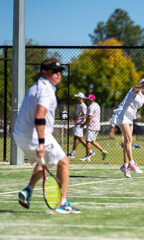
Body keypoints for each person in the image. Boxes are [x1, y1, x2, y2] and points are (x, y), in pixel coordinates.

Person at [13, 59, 80, 214]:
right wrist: (41, 143)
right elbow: (39, 116)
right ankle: (62, 203)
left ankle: (28, 190)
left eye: (60, 72)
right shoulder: (46, 90)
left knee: (46, 163)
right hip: (35, 136)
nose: (58, 75)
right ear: (44, 72)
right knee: (64, 161)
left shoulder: (34, 88)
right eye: (54, 71)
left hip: (20, 136)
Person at [80, 94, 108, 161]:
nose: (86, 100)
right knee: (92, 141)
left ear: (90, 100)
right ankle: (103, 151)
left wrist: (84, 124)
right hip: (97, 126)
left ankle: (87, 156)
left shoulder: (91, 107)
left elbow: (90, 117)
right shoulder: (97, 105)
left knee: (88, 141)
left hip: (91, 126)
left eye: (87, 99)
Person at [68, 92, 94, 159]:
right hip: (77, 123)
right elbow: (78, 115)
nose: (76, 98)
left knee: (80, 139)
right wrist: (74, 120)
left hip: (80, 124)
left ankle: (90, 151)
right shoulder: (78, 105)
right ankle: (72, 153)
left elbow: (85, 115)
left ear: (80, 98)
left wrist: (80, 118)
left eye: (77, 97)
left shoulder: (83, 105)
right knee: (76, 138)